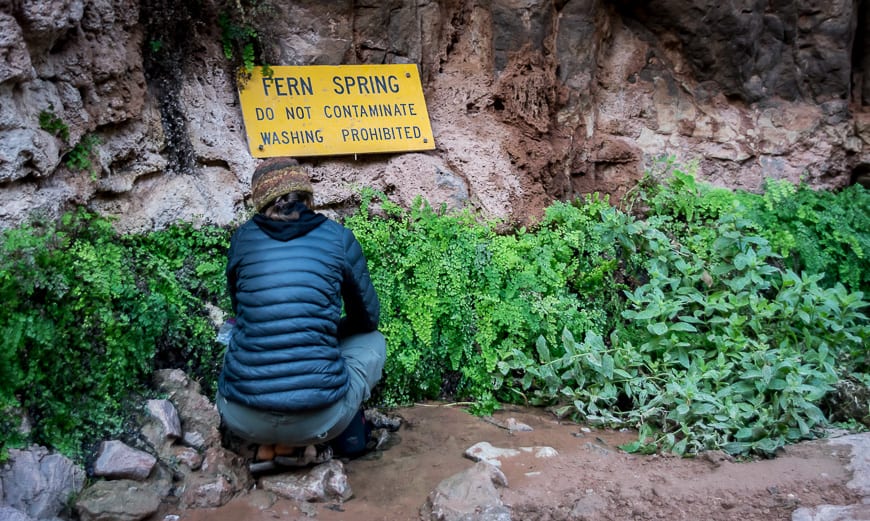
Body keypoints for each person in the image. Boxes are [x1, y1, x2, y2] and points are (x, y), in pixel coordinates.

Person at [216, 157, 386, 466]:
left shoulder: (242, 239)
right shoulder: (338, 238)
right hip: (320, 419)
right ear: (307, 197)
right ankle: (312, 442)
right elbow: (367, 320)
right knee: (374, 342)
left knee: (234, 338)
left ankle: (267, 444)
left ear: (260, 201)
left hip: (241, 417)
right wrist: (323, 332)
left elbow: (243, 314)